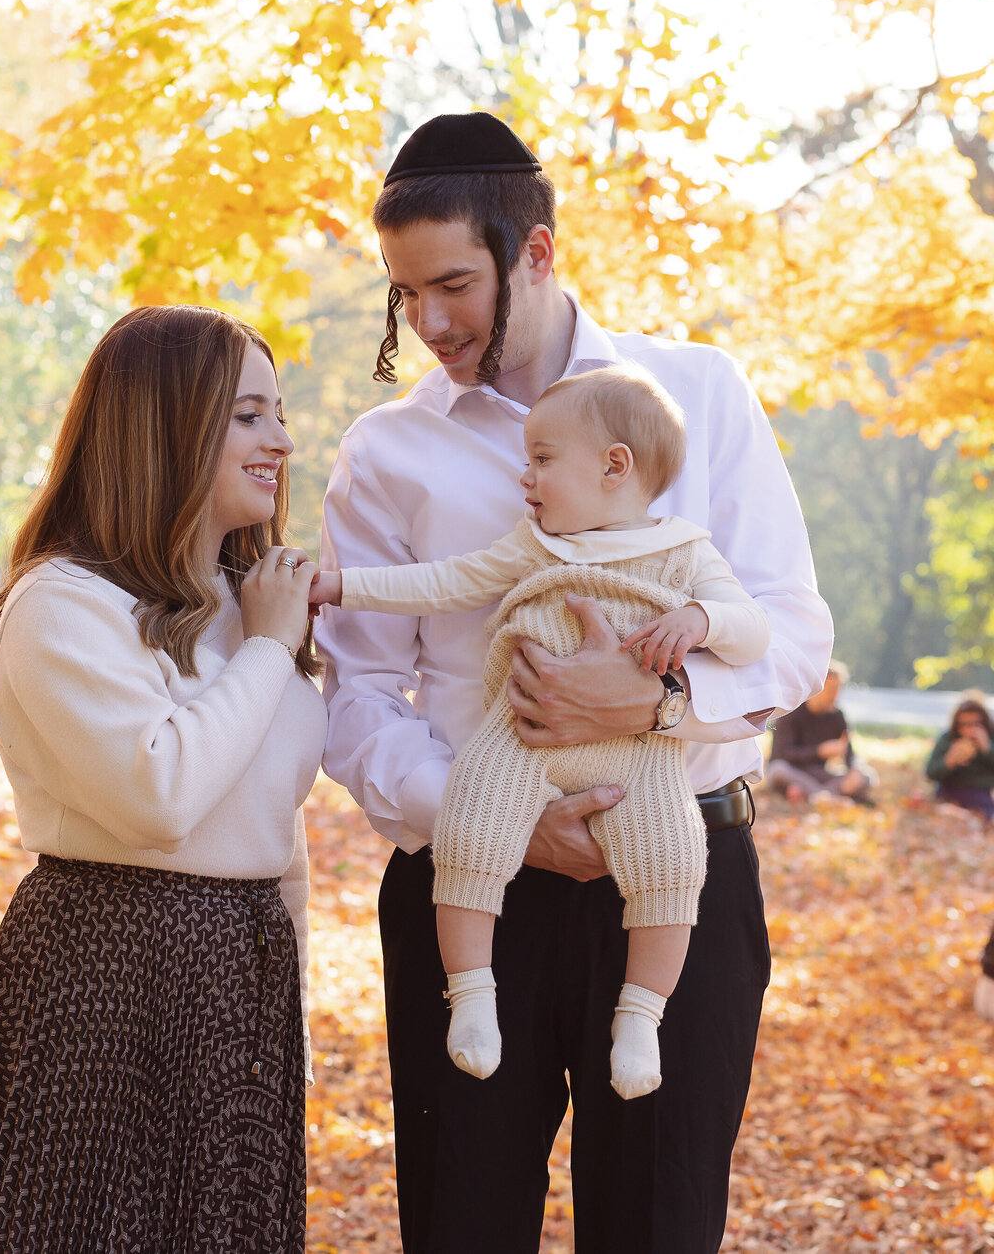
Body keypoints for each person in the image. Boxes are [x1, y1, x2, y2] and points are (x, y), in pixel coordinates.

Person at [317, 110, 833, 1254]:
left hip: (681, 872)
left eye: (452, 283)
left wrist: (657, 703)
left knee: (659, 1228)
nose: (430, 322)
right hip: (472, 891)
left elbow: (791, 627)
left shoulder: (698, 392)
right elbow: (355, 695)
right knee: (461, 1228)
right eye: (405, 294)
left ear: (537, 251)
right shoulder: (386, 450)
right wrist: (493, 819)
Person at [0, 307, 326, 1254]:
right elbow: (161, 797)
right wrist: (271, 648)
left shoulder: (253, 605)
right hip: (103, 973)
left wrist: (290, 1003)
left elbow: (278, 824)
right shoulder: (64, 605)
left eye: (278, 413)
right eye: (247, 416)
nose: (281, 439)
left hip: (241, 979)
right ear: (162, 425)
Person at [312, 363, 770, 1100]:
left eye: (543, 461)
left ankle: (641, 1015)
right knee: (467, 829)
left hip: (635, 754)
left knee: (675, 860)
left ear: (614, 466)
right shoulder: (537, 545)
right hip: (519, 735)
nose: (525, 477)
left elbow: (754, 633)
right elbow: (443, 580)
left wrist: (702, 619)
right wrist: (344, 585)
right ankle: (471, 996)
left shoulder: (686, 551)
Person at [765, 661, 876, 806]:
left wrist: (855, 770)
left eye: (838, 689)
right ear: (815, 688)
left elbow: (849, 754)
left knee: (867, 776)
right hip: (793, 772)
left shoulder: (837, 716)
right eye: (830, 690)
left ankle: (816, 797)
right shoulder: (791, 712)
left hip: (819, 775)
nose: (835, 695)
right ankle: (827, 797)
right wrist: (819, 751)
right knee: (778, 770)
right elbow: (781, 755)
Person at [926, 692, 994, 821]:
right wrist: (949, 761)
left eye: (976, 724)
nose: (969, 730)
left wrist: (987, 749)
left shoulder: (991, 737)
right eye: (964, 724)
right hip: (951, 793)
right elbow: (930, 773)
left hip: (983, 795)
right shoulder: (948, 739)